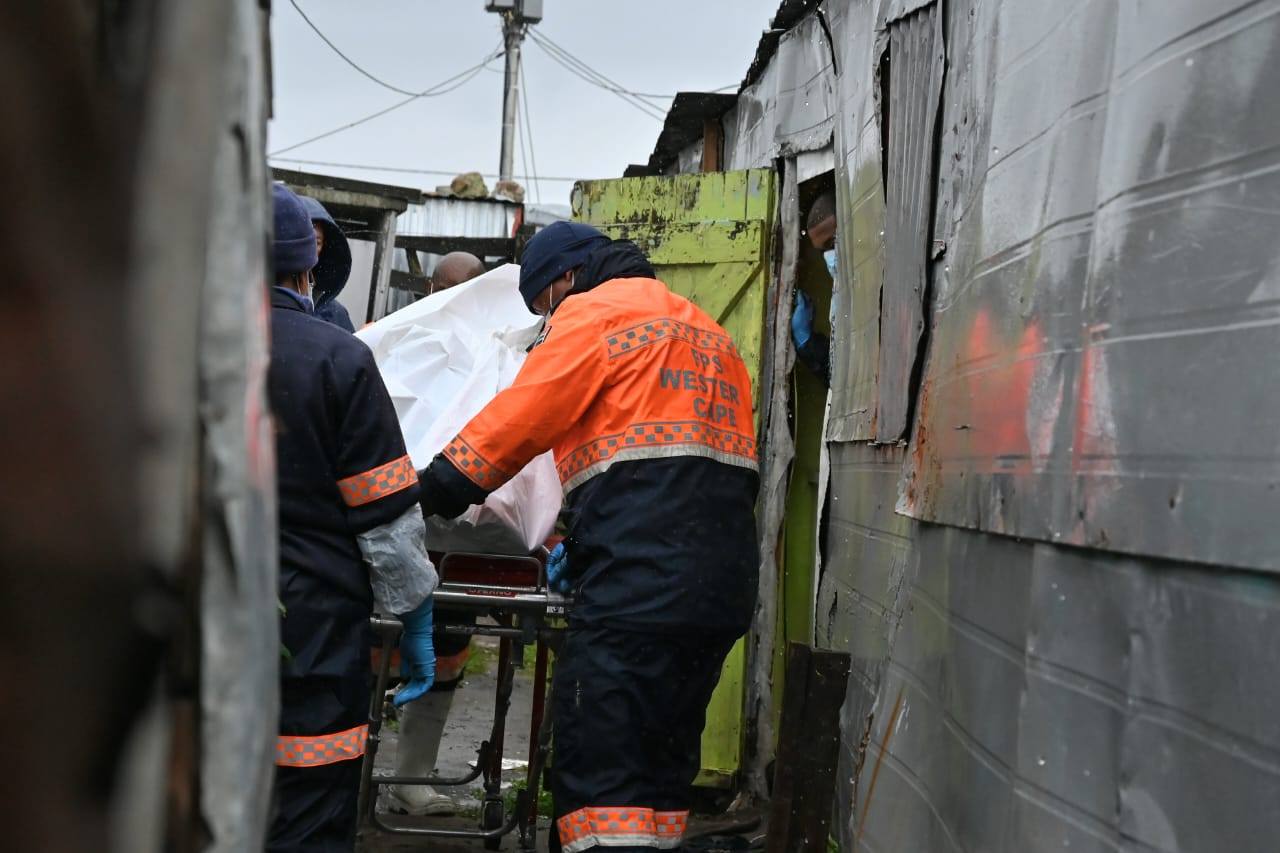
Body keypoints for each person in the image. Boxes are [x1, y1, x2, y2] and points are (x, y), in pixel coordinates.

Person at [416, 221, 760, 853]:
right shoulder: (706, 331)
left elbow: (519, 420)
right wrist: (590, 534)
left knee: (601, 774)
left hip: (637, 591)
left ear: (567, 279)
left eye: (543, 305)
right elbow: (691, 468)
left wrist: (432, 490)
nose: (545, 323)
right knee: (661, 768)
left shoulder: (596, 316)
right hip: (720, 591)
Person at [267, 183, 439, 852]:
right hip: (305, 637)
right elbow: (389, 526)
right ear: (307, 271)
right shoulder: (338, 358)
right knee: (303, 813)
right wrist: (416, 614)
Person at [383, 246, 488, 818]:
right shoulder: (400, 337)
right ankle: (355, 770)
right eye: (444, 289)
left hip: (458, 535)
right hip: (397, 519)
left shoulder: (496, 348)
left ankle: (410, 778)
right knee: (374, 652)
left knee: (445, 655)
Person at [792, 190, 836, 385]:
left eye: (833, 242)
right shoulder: (841, 300)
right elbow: (841, 374)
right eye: (823, 251)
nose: (829, 256)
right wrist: (807, 343)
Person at [299, 195, 356, 332]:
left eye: (316, 242)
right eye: (303, 237)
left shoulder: (335, 315)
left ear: (323, 248)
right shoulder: (253, 304)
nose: (309, 247)